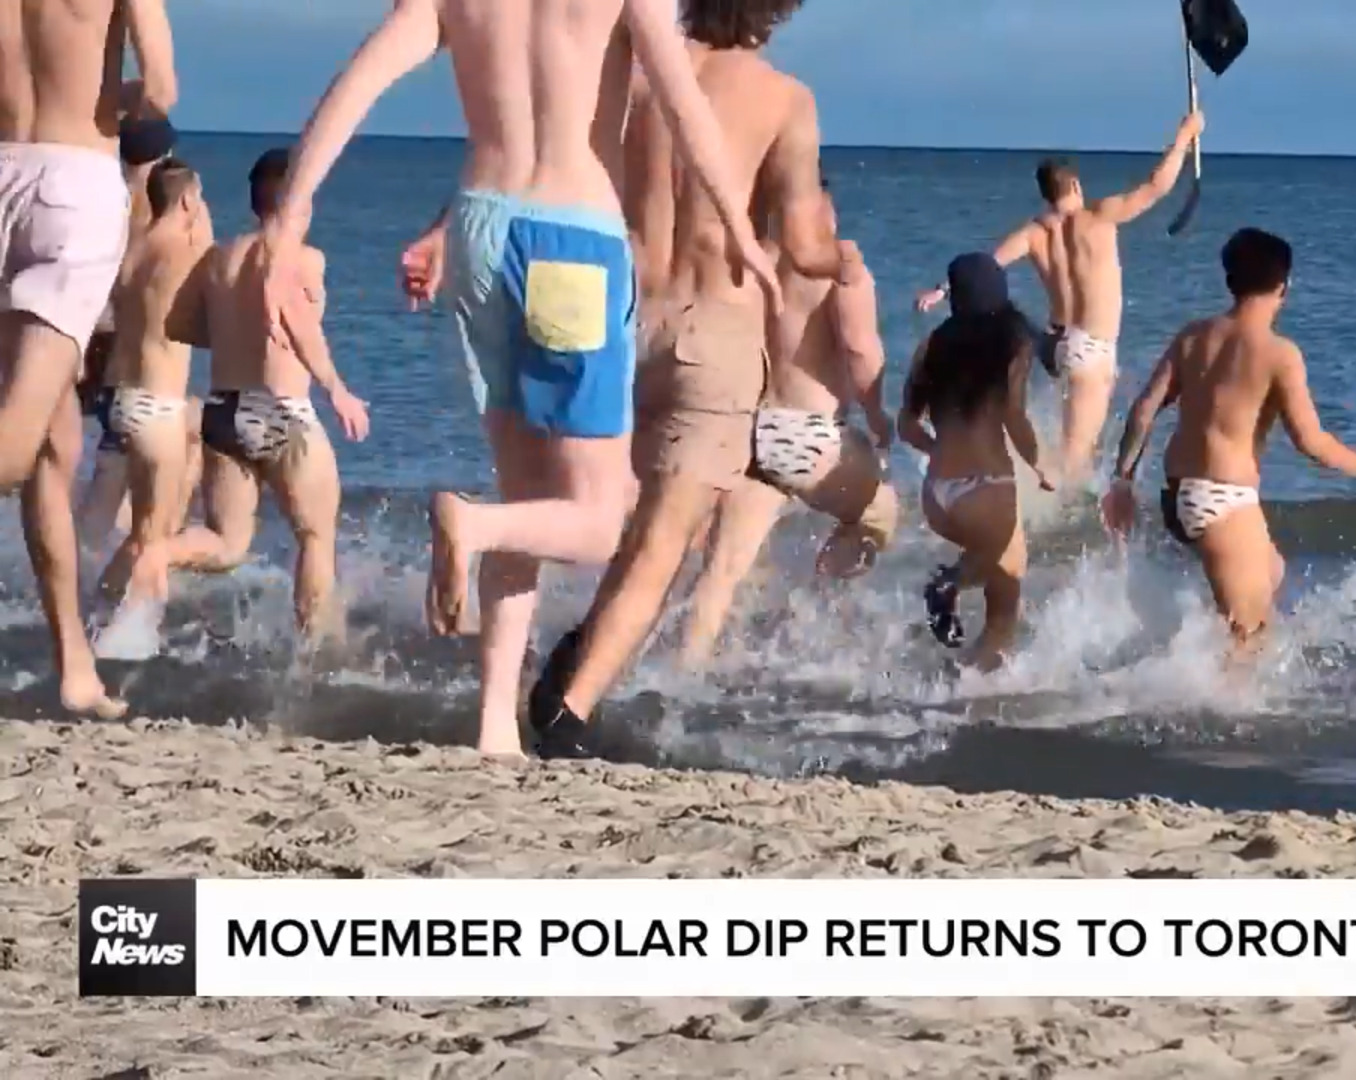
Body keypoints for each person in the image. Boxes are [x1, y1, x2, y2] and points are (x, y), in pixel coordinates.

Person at [265, 0, 772, 757]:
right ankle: (470, 526)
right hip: (572, 235)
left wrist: (289, 218)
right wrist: (739, 228)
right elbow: (684, 103)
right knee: (598, 522)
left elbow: (359, 82)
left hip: (479, 228)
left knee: (531, 496)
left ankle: (495, 728)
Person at [522, 0, 859, 759]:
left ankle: (569, 665)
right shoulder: (785, 98)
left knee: (641, 529)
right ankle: (567, 717)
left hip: (626, 320)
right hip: (716, 331)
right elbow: (804, 245)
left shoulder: (642, 74)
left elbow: (572, 168)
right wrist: (846, 261)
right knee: (665, 541)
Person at [1103, 228, 1356, 661]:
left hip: (1180, 495)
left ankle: (1189, 659)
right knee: (1249, 639)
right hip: (1221, 499)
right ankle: (1208, 712)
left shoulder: (1193, 336)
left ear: (1230, 282)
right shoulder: (1280, 353)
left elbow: (1145, 410)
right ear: (1284, 286)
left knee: (1272, 574)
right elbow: (1310, 441)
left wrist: (1122, 481)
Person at [0, 0, 177, 718]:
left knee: (52, 439)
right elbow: (161, 92)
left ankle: (75, 665)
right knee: (16, 444)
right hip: (74, 182)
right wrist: (115, 100)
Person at [915, 110, 1203, 485]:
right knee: (1074, 459)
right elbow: (1155, 187)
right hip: (1091, 349)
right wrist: (1184, 136)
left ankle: (1015, 482)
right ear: (1076, 186)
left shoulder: (1036, 232)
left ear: (1046, 193)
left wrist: (941, 290)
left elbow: (987, 265)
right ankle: (1047, 519)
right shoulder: (1098, 217)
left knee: (1072, 440)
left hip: (1055, 345)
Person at [677, 176, 897, 668]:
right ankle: (818, 619)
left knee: (722, 570)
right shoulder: (837, 263)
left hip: (747, 430)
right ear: (816, 207)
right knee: (880, 514)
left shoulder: (746, 259)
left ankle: (677, 676)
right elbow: (862, 352)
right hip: (809, 435)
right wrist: (881, 419)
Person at [159, 149, 371, 645]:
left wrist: (237, 332)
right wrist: (337, 390)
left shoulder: (218, 258)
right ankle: (313, 653)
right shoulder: (304, 257)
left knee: (226, 543)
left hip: (225, 409)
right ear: (297, 199)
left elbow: (179, 324)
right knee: (315, 536)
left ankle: (154, 554)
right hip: (281, 410)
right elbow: (299, 325)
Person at [896, 254, 1050, 671]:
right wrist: (1038, 465)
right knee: (998, 565)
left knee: (1007, 576)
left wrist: (937, 453)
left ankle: (972, 676)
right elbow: (1014, 418)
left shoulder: (929, 346)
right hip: (987, 487)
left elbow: (906, 427)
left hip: (938, 496)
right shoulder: (1013, 342)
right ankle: (949, 585)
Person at [91, 158, 213, 639]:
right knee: (153, 539)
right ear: (188, 200)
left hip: (119, 400)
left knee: (145, 531)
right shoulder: (186, 252)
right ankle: (130, 637)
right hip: (156, 408)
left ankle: (97, 611)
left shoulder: (133, 250)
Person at [77, 110, 188, 553]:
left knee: (109, 450)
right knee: (127, 453)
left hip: (90, 335)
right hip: (128, 348)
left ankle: (89, 551)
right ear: (162, 154)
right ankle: (133, 553)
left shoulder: (107, 197)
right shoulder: (159, 211)